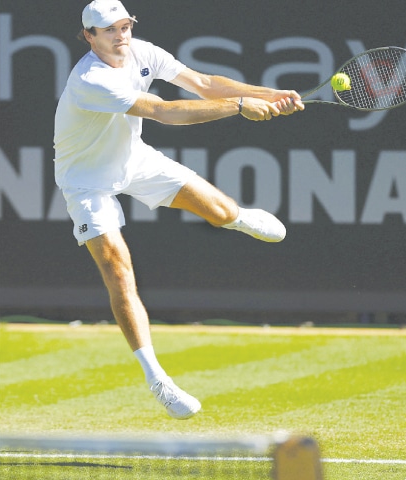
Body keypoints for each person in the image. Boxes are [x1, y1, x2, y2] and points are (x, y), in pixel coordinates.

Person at [54, 0, 304, 420]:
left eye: (125, 25)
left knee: (223, 213)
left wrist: (267, 94)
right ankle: (158, 379)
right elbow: (163, 112)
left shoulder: (144, 52)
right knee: (117, 269)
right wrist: (241, 105)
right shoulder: (91, 80)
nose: (121, 35)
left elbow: (204, 83)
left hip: (134, 159)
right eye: (109, 29)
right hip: (85, 180)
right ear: (89, 37)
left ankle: (238, 217)